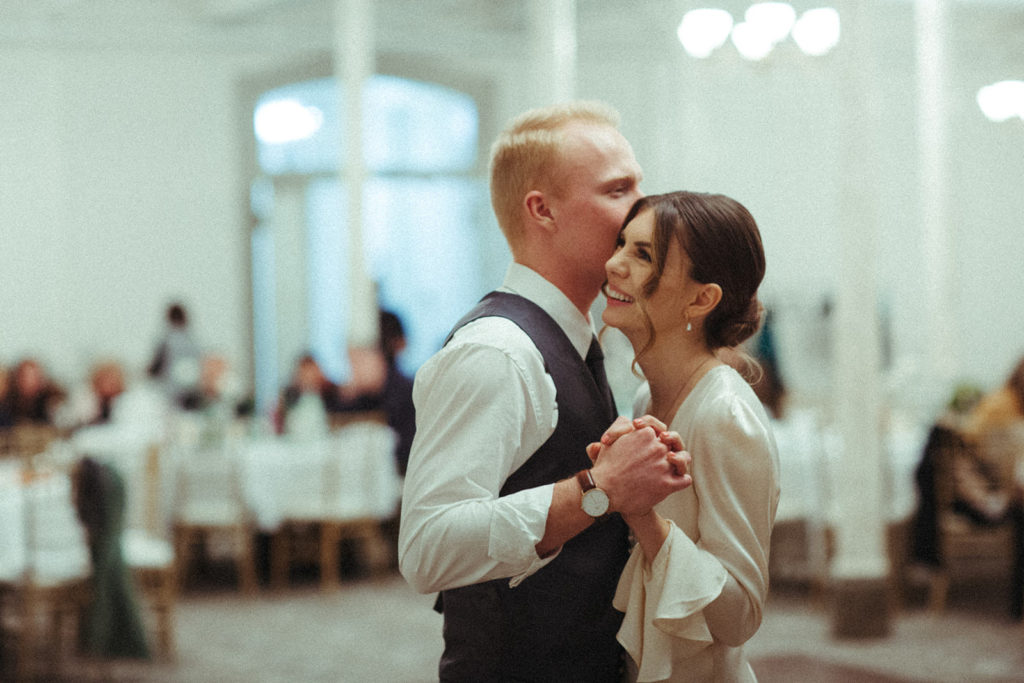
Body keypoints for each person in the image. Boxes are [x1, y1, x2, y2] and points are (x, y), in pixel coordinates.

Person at [398, 101, 692, 682]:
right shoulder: (499, 352)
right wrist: (596, 490)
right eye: (618, 190)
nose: (644, 211)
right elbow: (427, 547)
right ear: (542, 210)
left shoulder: (578, 336)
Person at [595, 191, 780, 681]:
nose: (613, 264)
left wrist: (642, 515)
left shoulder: (724, 415)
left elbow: (740, 615)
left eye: (643, 254)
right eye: (621, 244)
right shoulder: (643, 401)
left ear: (702, 298)